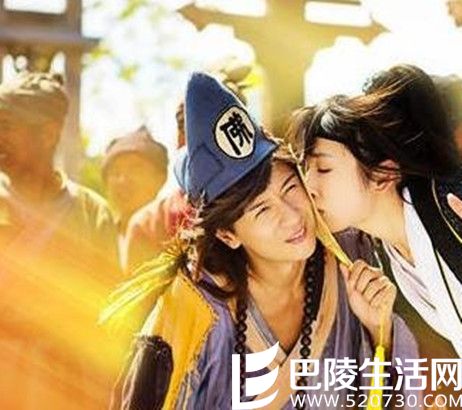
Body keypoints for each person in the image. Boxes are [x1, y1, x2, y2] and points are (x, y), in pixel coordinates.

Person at [106, 72, 420, 409]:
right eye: (263, 210)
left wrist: (380, 332)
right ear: (227, 234)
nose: (292, 216)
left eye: (290, 188)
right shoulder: (192, 311)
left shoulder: (353, 256)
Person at [288, 64, 462, 358]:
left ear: (383, 173)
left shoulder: (447, 204)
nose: (309, 187)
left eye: (324, 168)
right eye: (305, 170)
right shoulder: (390, 257)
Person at [0, 72, 121, 409]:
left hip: (67, 389)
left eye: (7, 126)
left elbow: (110, 313)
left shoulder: (91, 213)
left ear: (48, 133)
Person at [102, 125, 168, 268]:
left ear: (161, 177)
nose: (123, 180)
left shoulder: (177, 238)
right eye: (115, 172)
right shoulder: (96, 235)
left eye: (135, 168)